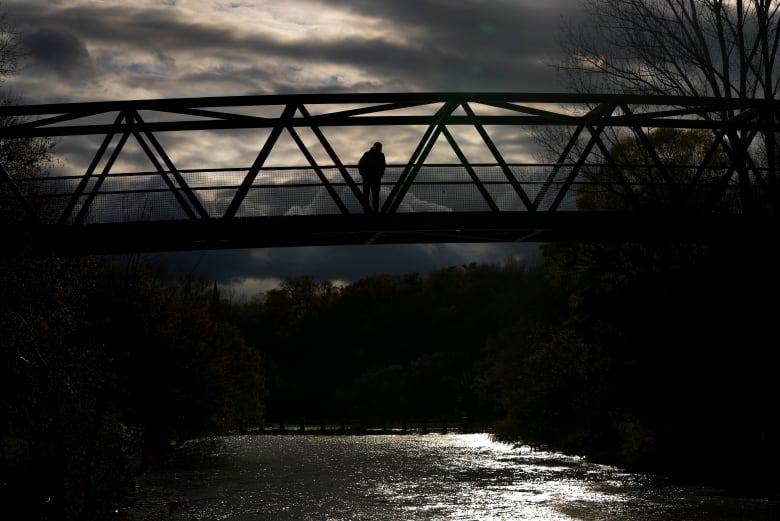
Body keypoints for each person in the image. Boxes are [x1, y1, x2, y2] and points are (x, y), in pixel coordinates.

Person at [358, 142, 385, 213]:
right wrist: (380, 174)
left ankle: (367, 211)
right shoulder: (380, 155)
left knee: (368, 195)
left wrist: (363, 174)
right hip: (374, 179)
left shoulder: (367, 154)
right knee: (374, 195)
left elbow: (360, 164)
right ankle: (373, 210)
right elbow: (383, 166)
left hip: (369, 178)